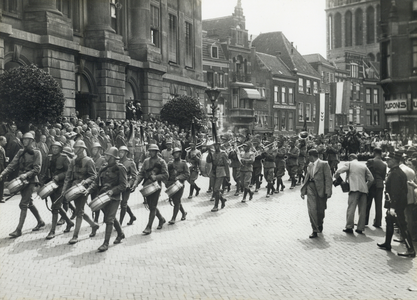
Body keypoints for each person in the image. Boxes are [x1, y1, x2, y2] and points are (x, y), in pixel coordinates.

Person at [0, 132, 45, 237]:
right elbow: (12, 164)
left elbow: (37, 169)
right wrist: (2, 174)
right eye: (23, 139)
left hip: (31, 180)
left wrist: (26, 174)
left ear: (31, 141)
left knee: (23, 204)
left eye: (26, 139)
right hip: (21, 180)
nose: (24, 141)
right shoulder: (20, 151)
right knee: (29, 202)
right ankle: (40, 221)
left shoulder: (37, 152)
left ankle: (18, 230)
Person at [378, 151, 416, 257]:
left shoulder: (395, 173)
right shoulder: (395, 171)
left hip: (396, 205)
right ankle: (387, 243)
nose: (387, 161)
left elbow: (395, 192)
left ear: (395, 161)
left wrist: (393, 207)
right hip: (394, 204)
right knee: (389, 221)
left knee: (402, 226)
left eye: (389, 160)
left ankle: (411, 250)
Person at [62, 140, 99, 245]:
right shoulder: (73, 161)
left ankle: (75, 236)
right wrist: (64, 190)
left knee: (79, 211)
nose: (75, 150)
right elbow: (68, 177)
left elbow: (94, 176)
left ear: (82, 149)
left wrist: (85, 181)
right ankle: (93, 225)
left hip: (83, 189)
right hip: (74, 189)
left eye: (76, 148)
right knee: (79, 211)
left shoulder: (89, 161)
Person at [90, 147, 127, 252]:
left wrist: (113, 191)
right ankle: (120, 234)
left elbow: (124, 185)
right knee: (110, 217)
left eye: (107, 155)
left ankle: (105, 243)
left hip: (114, 197)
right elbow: (96, 182)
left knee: (109, 219)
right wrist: (88, 190)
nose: (104, 157)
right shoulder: (104, 168)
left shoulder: (120, 168)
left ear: (112, 157)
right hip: (103, 196)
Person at [133, 144, 168, 235]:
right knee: (150, 205)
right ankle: (161, 219)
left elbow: (166, 175)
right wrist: (136, 183)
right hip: (147, 185)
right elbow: (141, 173)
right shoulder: (146, 161)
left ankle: (149, 226)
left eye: (153, 151)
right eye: (150, 151)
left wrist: (156, 177)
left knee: (153, 206)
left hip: (156, 186)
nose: (151, 152)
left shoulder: (161, 162)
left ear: (157, 152)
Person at [334, 153, 374, 234]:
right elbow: (371, 179)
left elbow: (339, 171)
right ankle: (360, 228)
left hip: (354, 189)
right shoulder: (363, 166)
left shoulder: (349, 164)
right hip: (364, 190)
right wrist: (366, 187)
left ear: (351, 158)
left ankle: (349, 227)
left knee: (351, 208)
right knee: (362, 210)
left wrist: (338, 178)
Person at [43, 142, 74, 239]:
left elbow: (69, 172)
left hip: (62, 185)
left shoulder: (64, 158)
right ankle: (69, 222)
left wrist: (59, 176)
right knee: (57, 206)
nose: (54, 150)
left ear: (60, 149)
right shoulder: (49, 158)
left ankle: (52, 231)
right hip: (52, 184)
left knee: (55, 208)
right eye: (53, 148)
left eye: (57, 148)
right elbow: (47, 171)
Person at [300, 149, 333, 238]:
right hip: (310, 187)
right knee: (311, 209)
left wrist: (328, 191)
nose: (307, 157)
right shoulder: (310, 165)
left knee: (320, 210)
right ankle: (314, 229)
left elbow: (328, 178)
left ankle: (320, 223)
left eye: (308, 156)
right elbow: (307, 178)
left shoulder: (324, 164)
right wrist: (303, 191)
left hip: (321, 190)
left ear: (312, 156)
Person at [167, 147, 190, 224]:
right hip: (172, 185)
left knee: (176, 201)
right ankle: (183, 212)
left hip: (180, 185)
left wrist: (179, 177)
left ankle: (173, 218)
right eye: (174, 153)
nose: (175, 155)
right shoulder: (170, 164)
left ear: (180, 154)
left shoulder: (183, 163)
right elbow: (167, 174)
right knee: (176, 201)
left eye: (177, 153)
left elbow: (187, 174)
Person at [365, 147, 387, 228]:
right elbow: (384, 177)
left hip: (372, 185)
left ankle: (364, 220)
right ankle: (378, 222)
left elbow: (367, 173)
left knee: (367, 203)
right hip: (380, 185)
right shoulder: (384, 164)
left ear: (374, 153)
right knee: (378, 204)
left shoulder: (370, 161)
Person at [207, 140, 229, 211]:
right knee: (215, 190)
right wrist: (209, 154)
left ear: (219, 145)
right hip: (213, 171)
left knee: (216, 189)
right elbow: (208, 161)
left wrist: (228, 175)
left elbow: (226, 165)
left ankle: (216, 206)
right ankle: (222, 200)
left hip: (221, 171)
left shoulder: (223, 154)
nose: (216, 147)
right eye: (215, 145)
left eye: (217, 145)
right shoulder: (213, 154)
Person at [118, 146, 137, 226]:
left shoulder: (130, 162)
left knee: (123, 204)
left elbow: (134, 176)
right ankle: (132, 216)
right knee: (122, 203)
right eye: (120, 152)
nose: (120, 154)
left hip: (127, 186)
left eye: (122, 152)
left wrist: (130, 184)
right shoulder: (118, 162)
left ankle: (120, 223)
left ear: (126, 153)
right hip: (119, 185)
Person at [0, 136, 7, 203]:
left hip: (2, 169)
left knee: (1, 184)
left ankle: (1, 197)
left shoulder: (2, 149)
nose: (6, 142)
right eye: (5, 141)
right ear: (1, 141)